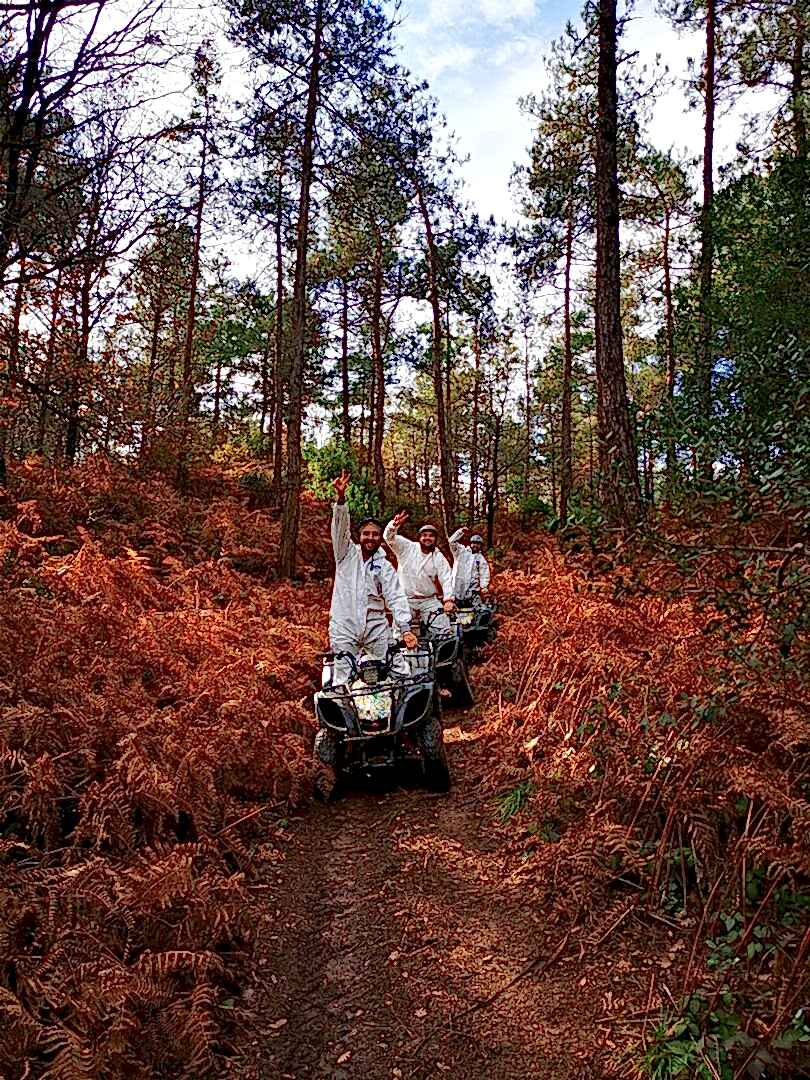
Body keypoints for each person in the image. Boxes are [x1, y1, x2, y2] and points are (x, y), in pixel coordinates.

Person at [328, 471, 417, 686]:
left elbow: (395, 596)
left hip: (375, 627)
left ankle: (400, 704)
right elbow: (340, 528)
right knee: (342, 680)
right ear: (359, 536)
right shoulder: (345, 554)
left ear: (380, 539)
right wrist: (341, 500)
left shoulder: (384, 565)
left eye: (375, 534)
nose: (370, 538)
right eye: (366, 534)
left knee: (398, 670)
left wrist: (405, 629)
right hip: (345, 626)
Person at [383, 511, 455, 634]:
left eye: (431, 536)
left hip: (428, 600)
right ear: (419, 537)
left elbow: (446, 577)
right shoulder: (407, 547)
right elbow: (389, 537)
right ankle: (399, 644)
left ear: (435, 539)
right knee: (400, 633)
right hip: (406, 600)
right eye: (424, 535)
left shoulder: (438, 556)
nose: (427, 538)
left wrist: (448, 599)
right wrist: (393, 526)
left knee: (443, 629)